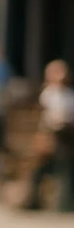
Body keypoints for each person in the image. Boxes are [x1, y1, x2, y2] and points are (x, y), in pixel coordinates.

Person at [27, 59, 74, 210]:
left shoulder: (69, 95)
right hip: (50, 136)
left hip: (66, 137)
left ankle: (64, 203)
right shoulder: (48, 94)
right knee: (41, 168)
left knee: (65, 167)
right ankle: (33, 200)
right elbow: (48, 116)